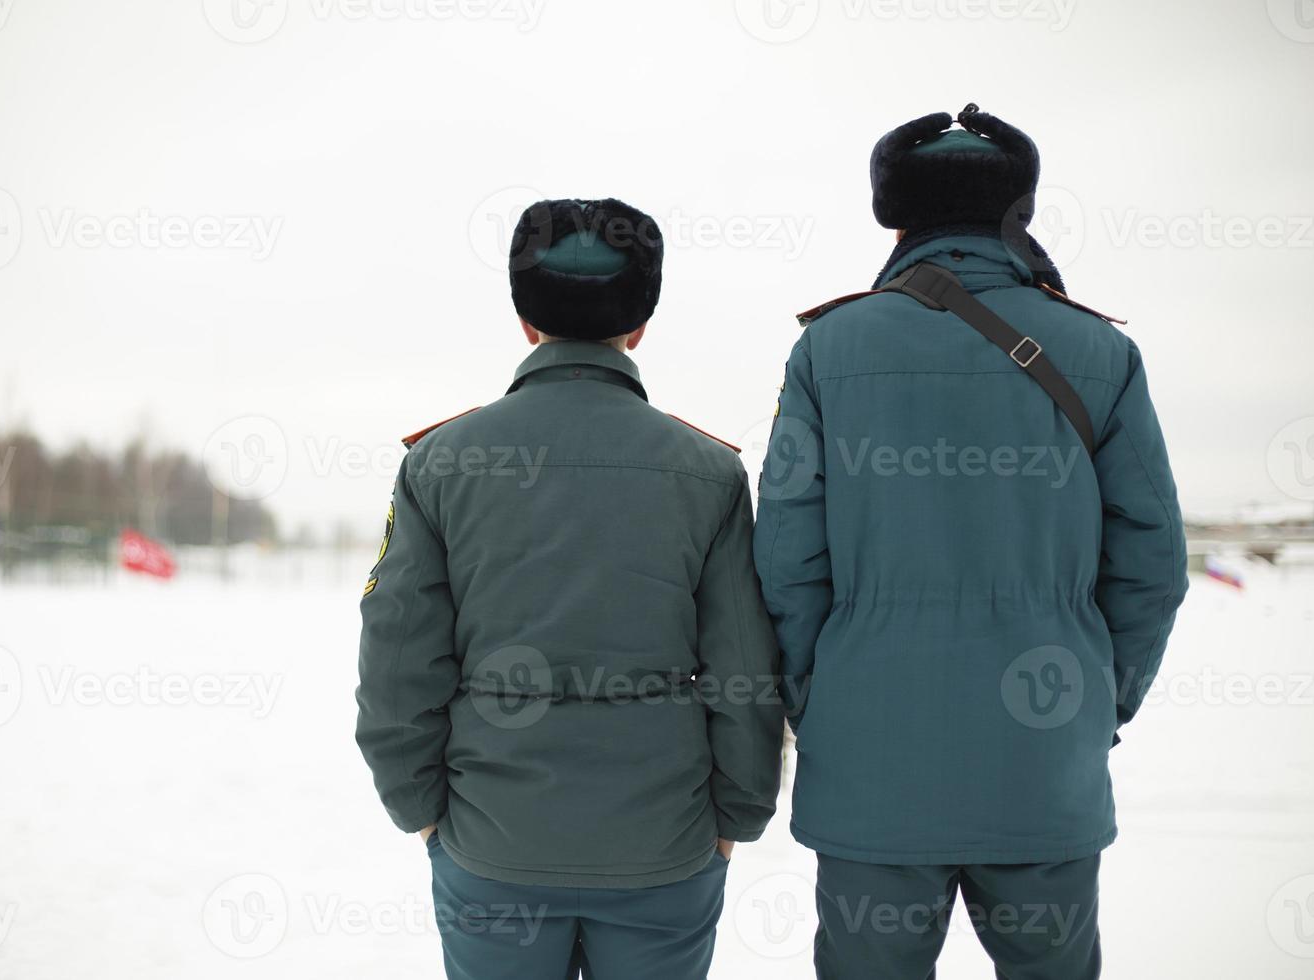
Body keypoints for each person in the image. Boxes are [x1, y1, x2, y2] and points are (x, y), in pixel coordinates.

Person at [754, 105, 1188, 979]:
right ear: (1014, 213)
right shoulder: (1098, 351)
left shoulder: (828, 350)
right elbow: (1152, 562)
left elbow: (786, 562)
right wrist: (1102, 701)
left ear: (897, 216)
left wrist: (823, 702)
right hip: (1044, 756)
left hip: (871, 768)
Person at [356, 197, 783, 980]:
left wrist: (421, 811)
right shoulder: (710, 472)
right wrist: (738, 815)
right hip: (666, 846)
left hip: (494, 843)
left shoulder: (441, 463)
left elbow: (396, 659)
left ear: (525, 320)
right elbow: (743, 670)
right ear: (640, 324)